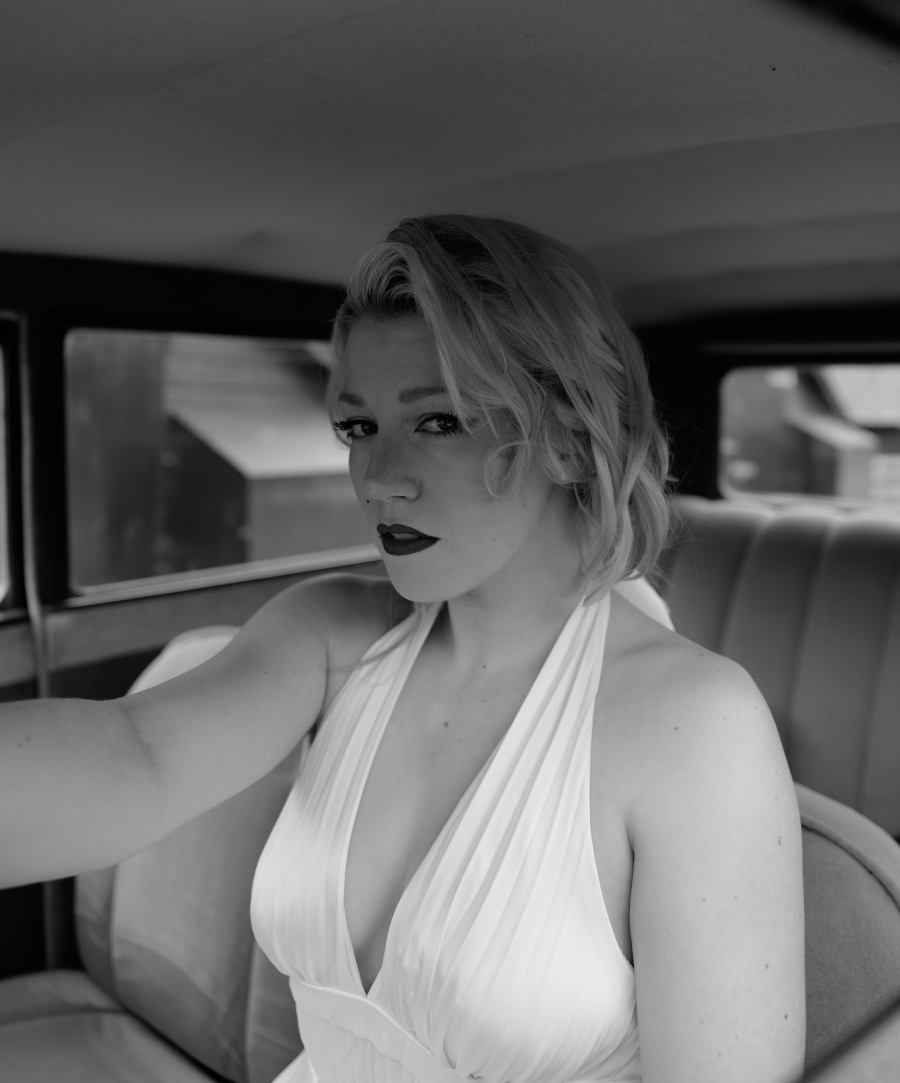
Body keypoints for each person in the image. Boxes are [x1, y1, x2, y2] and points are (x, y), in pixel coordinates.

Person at [0, 215, 805, 1083]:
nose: (378, 477)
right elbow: (139, 756)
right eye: (358, 427)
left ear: (571, 439)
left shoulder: (695, 725)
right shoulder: (332, 635)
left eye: (438, 421)